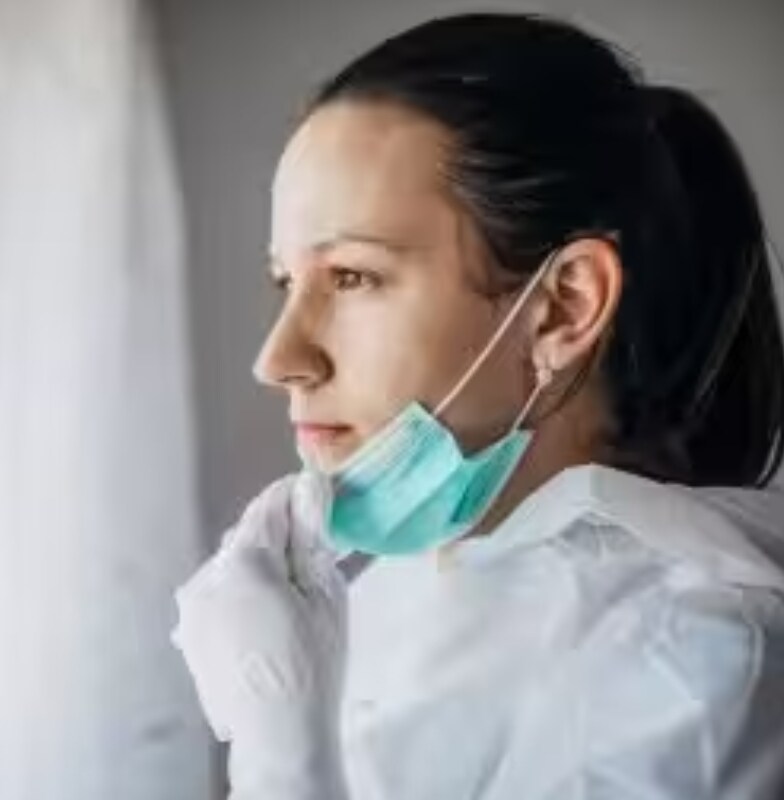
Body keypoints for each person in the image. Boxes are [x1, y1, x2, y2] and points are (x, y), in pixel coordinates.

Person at [171, 13, 784, 800]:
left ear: (563, 308)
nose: (278, 360)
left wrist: (281, 756)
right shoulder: (400, 590)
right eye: (287, 282)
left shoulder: (702, 671)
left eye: (353, 277)